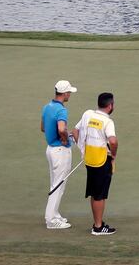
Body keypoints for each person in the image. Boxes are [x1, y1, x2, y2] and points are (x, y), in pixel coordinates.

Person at [74, 92, 118, 236]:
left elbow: (75, 131)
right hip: (102, 161)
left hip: (90, 160)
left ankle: (97, 223)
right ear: (110, 106)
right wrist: (114, 155)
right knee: (100, 195)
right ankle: (98, 227)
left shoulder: (88, 114)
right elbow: (113, 141)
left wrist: (82, 148)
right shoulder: (108, 122)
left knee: (95, 193)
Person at [41, 79, 78, 229]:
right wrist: (64, 138)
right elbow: (61, 128)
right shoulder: (61, 110)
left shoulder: (47, 107)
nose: (70, 94)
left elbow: (43, 127)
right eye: (69, 92)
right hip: (60, 152)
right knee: (58, 186)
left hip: (50, 149)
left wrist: (62, 135)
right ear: (65, 93)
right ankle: (51, 220)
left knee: (55, 183)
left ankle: (55, 214)